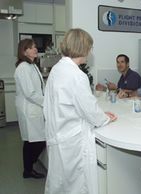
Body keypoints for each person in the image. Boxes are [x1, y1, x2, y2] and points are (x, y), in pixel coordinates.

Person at [43, 28, 117, 194]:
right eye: (90, 47)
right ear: (83, 48)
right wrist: (106, 118)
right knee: (75, 185)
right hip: (72, 140)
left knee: (59, 183)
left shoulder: (57, 69)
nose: (90, 51)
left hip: (58, 133)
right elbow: (90, 110)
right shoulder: (77, 75)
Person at [14, 39, 46, 179]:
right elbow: (30, 93)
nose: (35, 49)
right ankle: (28, 170)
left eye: (35, 47)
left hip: (35, 107)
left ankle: (28, 167)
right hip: (30, 108)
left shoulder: (31, 65)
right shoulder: (23, 68)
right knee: (34, 141)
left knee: (34, 140)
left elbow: (39, 87)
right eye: (32, 48)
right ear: (24, 51)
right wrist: (47, 103)